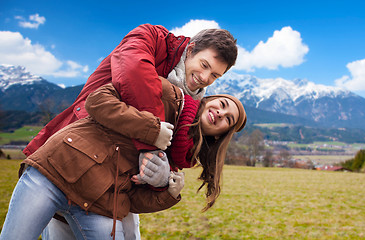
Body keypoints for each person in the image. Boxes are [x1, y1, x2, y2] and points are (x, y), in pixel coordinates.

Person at [21, 23, 238, 239]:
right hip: (73, 155)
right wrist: (151, 139)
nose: (205, 77)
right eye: (204, 65)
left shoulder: (190, 104)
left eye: (215, 76)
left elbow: (163, 149)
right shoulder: (152, 38)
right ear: (190, 49)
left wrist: (164, 180)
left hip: (112, 181)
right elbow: (134, 76)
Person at [0, 78, 247, 240]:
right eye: (223, 104)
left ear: (220, 135)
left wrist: (165, 191)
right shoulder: (169, 95)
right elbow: (97, 100)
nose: (221, 112)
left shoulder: (181, 157)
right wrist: (151, 130)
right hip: (55, 173)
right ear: (209, 99)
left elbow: (131, 198)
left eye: (228, 119)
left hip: (97, 205)